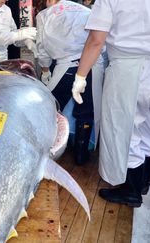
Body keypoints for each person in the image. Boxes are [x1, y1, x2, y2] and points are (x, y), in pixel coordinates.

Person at [73, 0, 150, 207]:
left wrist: (81, 76)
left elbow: (96, 39)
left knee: (125, 132)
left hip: (129, 69)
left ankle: (131, 190)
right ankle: (144, 182)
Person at [36, 0, 104, 165]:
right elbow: (99, 40)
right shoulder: (85, 10)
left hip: (66, 67)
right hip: (93, 66)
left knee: (50, 107)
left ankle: (45, 150)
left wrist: (45, 69)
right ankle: (82, 154)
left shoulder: (44, 15)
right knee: (87, 111)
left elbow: (42, 48)